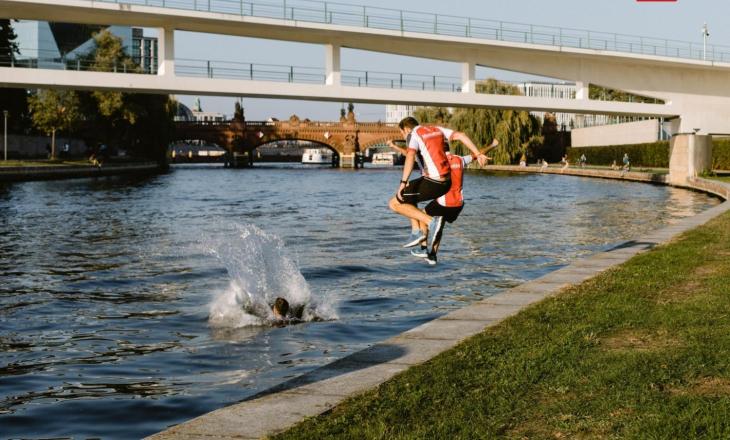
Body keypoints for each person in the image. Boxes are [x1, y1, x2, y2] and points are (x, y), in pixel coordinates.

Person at [388, 117, 488, 254]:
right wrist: (477, 153)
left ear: (406, 129)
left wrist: (403, 182)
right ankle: (418, 235)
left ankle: (430, 223)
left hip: (433, 181)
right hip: (445, 183)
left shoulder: (413, 135)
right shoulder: (437, 129)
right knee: (409, 197)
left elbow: (410, 156)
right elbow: (461, 135)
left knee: (394, 203)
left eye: (402, 133)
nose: (404, 137)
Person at [411, 139, 499, 265]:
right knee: (439, 225)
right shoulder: (460, 159)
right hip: (458, 204)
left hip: (443, 202)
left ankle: (424, 249)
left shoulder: (437, 162)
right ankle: (433, 255)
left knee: (421, 217)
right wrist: (492, 145)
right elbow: (478, 153)